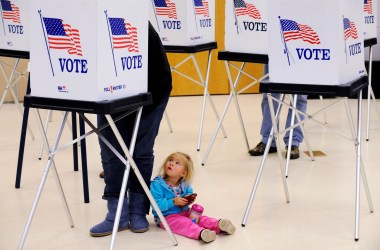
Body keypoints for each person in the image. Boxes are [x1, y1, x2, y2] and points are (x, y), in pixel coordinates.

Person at [90, 22, 172, 237]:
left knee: (141, 150)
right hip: (109, 90)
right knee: (111, 150)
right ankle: (116, 213)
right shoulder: (88, 20)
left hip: (152, 89)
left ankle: (138, 209)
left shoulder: (132, 22)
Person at [150, 152, 236, 243]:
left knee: (200, 219)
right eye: (170, 160)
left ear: (183, 173)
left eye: (177, 163)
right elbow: (156, 205)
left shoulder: (184, 183)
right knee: (184, 223)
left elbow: (189, 192)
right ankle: (201, 233)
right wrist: (173, 202)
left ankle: (218, 225)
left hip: (185, 211)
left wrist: (188, 198)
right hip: (166, 217)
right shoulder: (157, 184)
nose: (171, 163)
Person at [248, 65, 307, 159]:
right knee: (269, 92)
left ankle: (293, 142)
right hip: (273, 52)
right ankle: (268, 140)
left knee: (299, 95)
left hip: (301, 53)